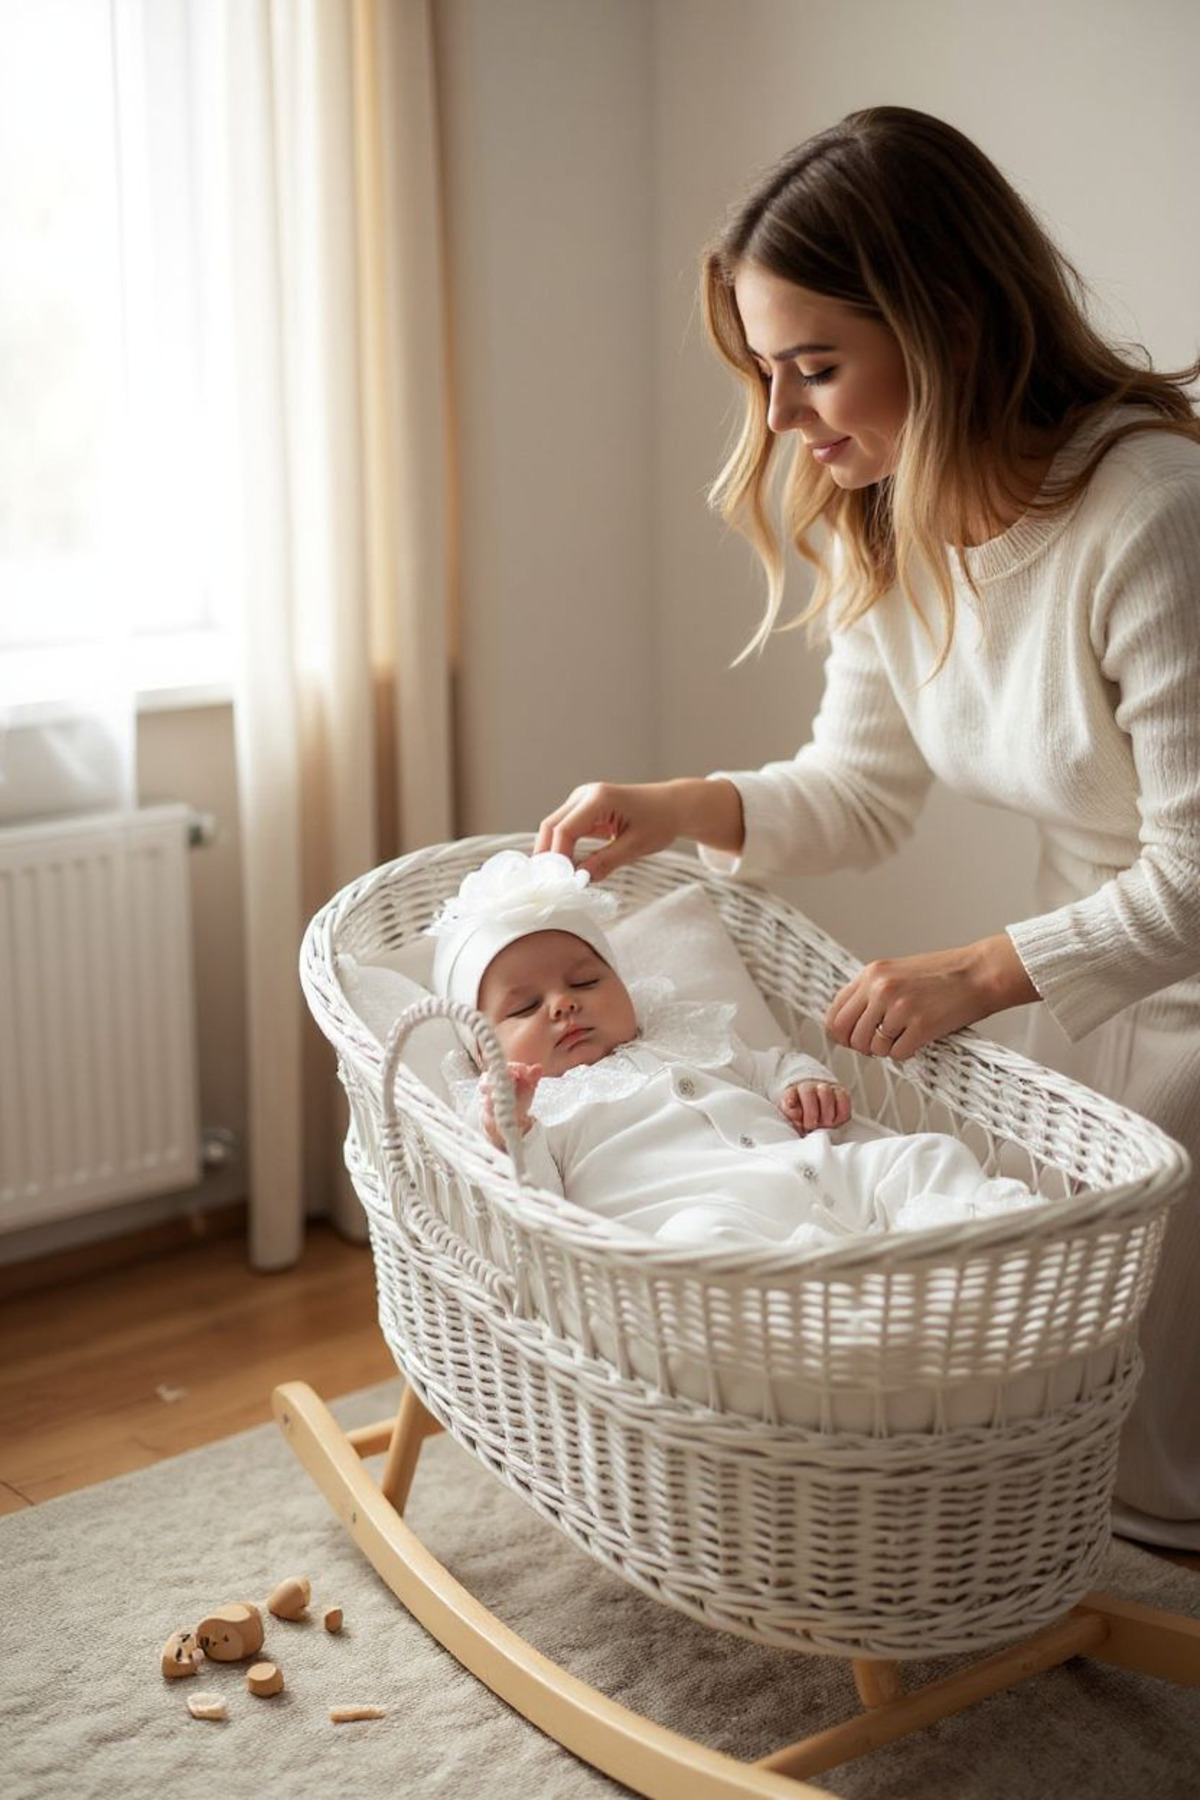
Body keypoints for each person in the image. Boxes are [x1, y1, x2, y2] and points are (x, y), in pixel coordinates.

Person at [534, 106, 1200, 1550]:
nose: (780, 419)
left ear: (946, 320)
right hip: (1094, 994)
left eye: (814, 366)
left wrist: (970, 976)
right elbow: (858, 792)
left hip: (1132, 967)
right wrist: (678, 807)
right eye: (765, 374)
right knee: (1085, 1429)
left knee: (1154, 1459)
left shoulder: (1150, 515)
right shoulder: (896, 514)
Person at [429, 849, 1040, 1248]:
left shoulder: (684, 1035)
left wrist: (798, 1084)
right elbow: (534, 1208)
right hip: (713, 1224)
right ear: (483, 1050)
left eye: (586, 981)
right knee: (702, 1242)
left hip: (819, 1171)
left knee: (922, 1155)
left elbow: (768, 1064)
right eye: (525, 1006)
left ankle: (992, 1255)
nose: (563, 1004)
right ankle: (830, 1317)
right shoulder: (538, 1110)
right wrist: (511, 1127)